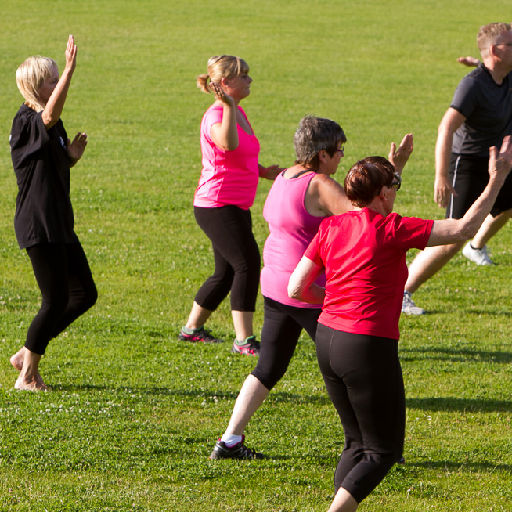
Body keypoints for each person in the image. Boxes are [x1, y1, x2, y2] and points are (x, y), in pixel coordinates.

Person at [287, 137, 512, 512]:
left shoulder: (333, 226)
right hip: (365, 346)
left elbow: (297, 287)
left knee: (355, 444)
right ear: (382, 194)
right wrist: (497, 180)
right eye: (395, 186)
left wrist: (337, 303)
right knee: (382, 451)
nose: (397, 191)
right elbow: (461, 229)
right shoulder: (393, 230)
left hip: (327, 339)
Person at [209, 117, 413, 459]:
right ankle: (368, 446)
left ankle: (229, 439)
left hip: (277, 285)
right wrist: (393, 173)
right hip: (310, 291)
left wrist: (393, 169)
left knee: (268, 368)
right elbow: (366, 215)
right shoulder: (320, 185)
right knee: (354, 369)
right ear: (321, 154)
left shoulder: (285, 177)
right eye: (338, 151)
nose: (341, 158)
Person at [402, 22, 512, 315]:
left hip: (496, 160)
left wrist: (479, 62)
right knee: (453, 234)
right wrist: (440, 175)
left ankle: (476, 247)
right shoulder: (473, 85)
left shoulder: (505, 74)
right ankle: (403, 290)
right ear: (494, 51)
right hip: (466, 161)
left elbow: (492, 70)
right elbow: (445, 127)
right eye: (511, 44)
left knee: (507, 206)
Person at [9, 35, 97, 391]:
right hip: (38, 222)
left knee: (84, 294)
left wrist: (71, 156)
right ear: (35, 85)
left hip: (59, 222)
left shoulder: (50, 125)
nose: (56, 82)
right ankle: (27, 375)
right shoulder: (26, 120)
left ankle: (27, 351)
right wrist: (71, 71)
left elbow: (49, 162)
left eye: (58, 76)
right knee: (56, 299)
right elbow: (48, 115)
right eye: (51, 79)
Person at [179, 55, 280, 355]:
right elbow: (227, 145)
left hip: (234, 203)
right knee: (246, 264)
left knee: (224, 273)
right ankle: (244, 340)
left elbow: (240, 154)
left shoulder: (239, 112)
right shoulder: (216, 115)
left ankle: (192, 329)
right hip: (216, 204)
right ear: (226, 83)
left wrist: (262, 171)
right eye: (243, 75)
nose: (250, 79)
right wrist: (227, 107)